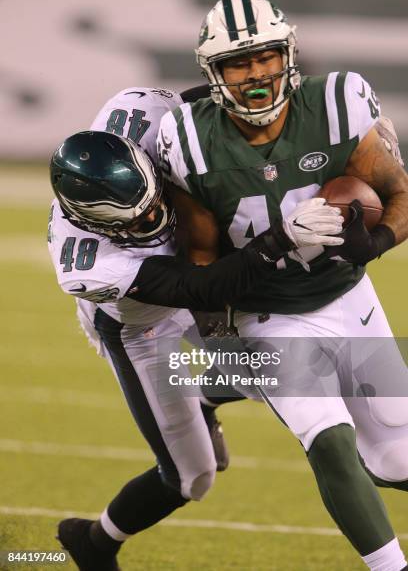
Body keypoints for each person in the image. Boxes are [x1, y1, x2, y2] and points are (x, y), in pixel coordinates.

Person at [157, 0, 408, 571]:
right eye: (238, 63)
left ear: (288, 53)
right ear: (213, 73)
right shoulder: (192, 142)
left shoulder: (337, 105)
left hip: (349, 297)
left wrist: (376, 242)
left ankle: (210, 389)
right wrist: (222, 332)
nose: (257, 74)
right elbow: (199, 260)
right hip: (264, 313)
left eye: (266, 57)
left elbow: (398, 197)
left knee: (395, 458)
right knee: (330, 441)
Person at [48, 88, 344, 570]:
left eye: (152, 200)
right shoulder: (87, 263)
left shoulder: (138, 116)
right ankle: (94, 542)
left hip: (198, 275)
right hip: (143, 326)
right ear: (93, 223)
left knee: (281, 371)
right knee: (194, 477)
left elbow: (212, 100)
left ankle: (206, 394)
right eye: (139, 219)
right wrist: (280, 239)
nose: (155, 217)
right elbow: (202, 290)